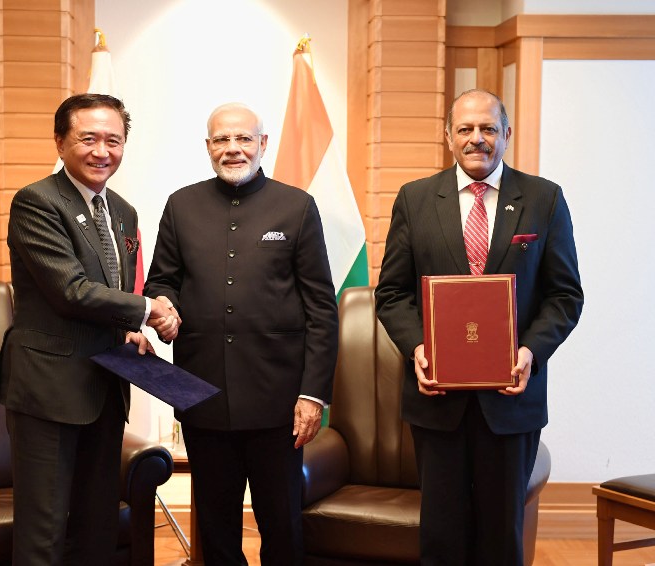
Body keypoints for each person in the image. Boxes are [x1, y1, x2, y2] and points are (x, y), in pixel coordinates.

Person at [374, 89, 584, 566]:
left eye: (488, 128)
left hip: (512, 401)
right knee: (441, 535)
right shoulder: (415, 199)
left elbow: (565, 295)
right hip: (436, 401)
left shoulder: (544, 198)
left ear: (506, 134)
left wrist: (530, 351)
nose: (477, 139)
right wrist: (418, 348)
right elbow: (392, 294)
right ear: (448, 136)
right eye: (465, 129)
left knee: (500, 537)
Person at [144, 102, 339, 565]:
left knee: (282, 525)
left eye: (244, 139)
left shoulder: (297, 206)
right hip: (201, 394)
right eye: (222, 140)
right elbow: (161, 281)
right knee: (215, 529)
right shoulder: (181, 205)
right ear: (208, 146)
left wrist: (312, 395)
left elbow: (321, 308)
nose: (233, 148)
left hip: (280, 402)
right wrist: (165, 307)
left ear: (262, 144)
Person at [0, 93, 179, 565]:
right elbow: (70, 291)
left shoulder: (123, 211)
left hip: (106, 387)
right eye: (88, 138)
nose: (102, 151)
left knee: (97, 528)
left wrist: (130, 329)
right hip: (49, 391)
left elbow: (112, 292)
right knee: (44, 531)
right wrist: (146, 310)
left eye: (113, 141)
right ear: (60, 142)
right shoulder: (37, 202)